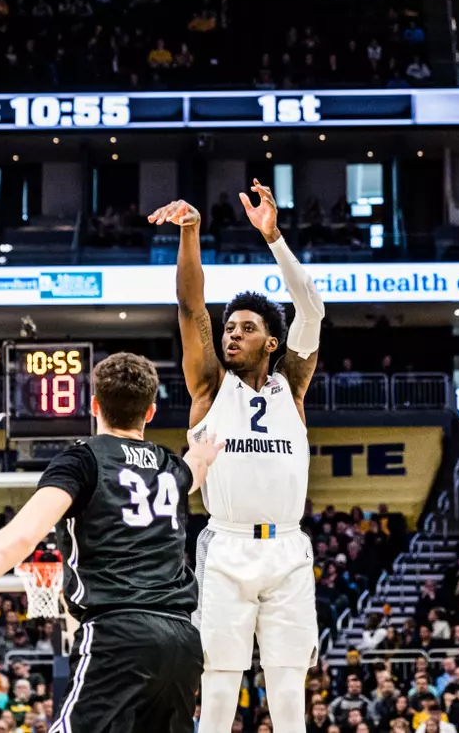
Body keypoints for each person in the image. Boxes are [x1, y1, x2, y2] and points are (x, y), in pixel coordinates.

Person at [0, 353, 221, 732]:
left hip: (119, 634)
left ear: (94, 406)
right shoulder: (169, 465)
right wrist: (203, 451)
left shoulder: (83, 460)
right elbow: (195, 469)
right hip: (181, 641)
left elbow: (19, 538)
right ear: (150, 412)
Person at [147, 179, 327, 733]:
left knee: (289, 687)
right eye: (229, 328)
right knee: (220, 683)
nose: (232, 335)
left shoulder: (292, 385)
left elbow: (311, 308)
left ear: (272, 343)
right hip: (226, 547)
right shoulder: (209, 385)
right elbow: (190, 306)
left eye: (247, 329)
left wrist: (274, 238)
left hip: (288, 548)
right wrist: (190, 232)